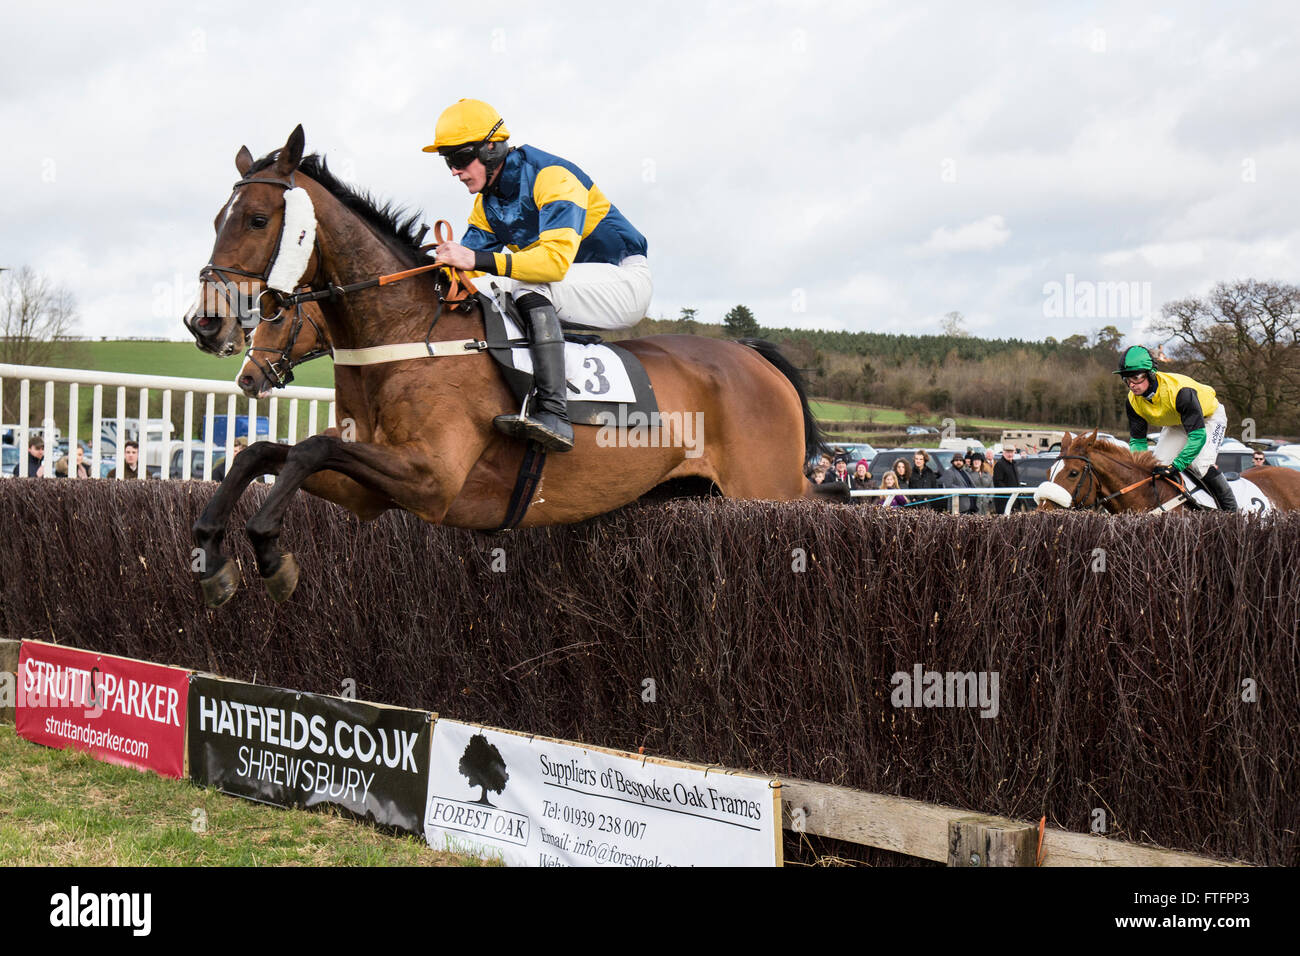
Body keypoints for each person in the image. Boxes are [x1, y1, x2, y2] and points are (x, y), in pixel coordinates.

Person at [428, 99, 651, 453]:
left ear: (490, 149)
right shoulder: (488, 204)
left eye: (458, 158)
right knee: (477, 287)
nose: (454, 171)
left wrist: (473, 258)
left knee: (525, 281)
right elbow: (467, 270)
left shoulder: (553, 177)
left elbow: (552, 265)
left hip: (621, 281)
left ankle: (554, 413)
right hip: (568, 289)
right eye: (447, 162)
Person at [1116, 345, 1236, 511]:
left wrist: (1177, 465)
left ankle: (1231, 512)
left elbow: (1198, 437)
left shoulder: (1181, 392)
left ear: (1151, 373)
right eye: (1126, 379)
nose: (1132, 384)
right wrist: (1140, 467)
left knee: (1200, 464)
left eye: (1136, 377)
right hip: (1177, 423)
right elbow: (1138, 440)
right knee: (1156, 466)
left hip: (1209, 418)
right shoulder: (1132, 401)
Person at [992, 444, 1021, 514]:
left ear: (1014, 453)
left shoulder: (1014, 464)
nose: (1010, 454)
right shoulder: (999, 464)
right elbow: (998, 482)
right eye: (1008, 452)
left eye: (1012, 452)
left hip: (1015, 500)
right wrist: (1009, 493)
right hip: (1004, 501)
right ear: (1003, 453)